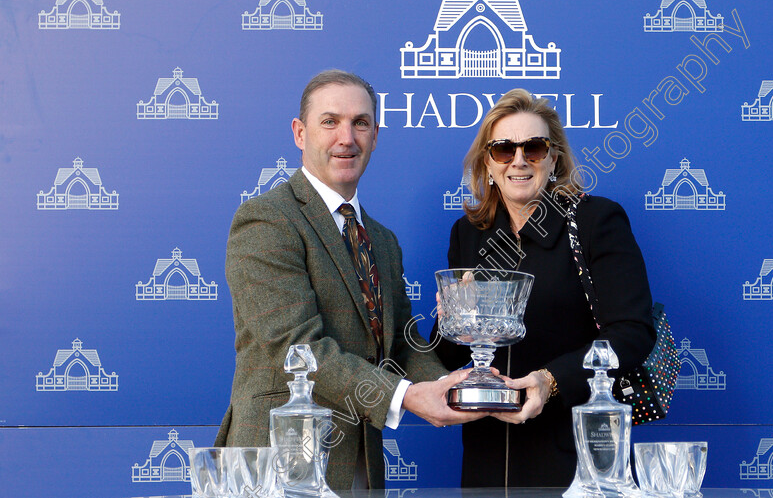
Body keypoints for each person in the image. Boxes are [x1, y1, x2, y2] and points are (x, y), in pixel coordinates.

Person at [215, 70, 483, 490]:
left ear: (375, 135)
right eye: (330, 121)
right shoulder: (266, 220)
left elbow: (400, 345)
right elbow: (298, 348)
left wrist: (453, 386)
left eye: (360, 123)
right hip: (277, 462)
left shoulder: (382, 240)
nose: (347, 137)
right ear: (300, 133)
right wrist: (406, 397)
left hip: (359, 463)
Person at [432, 88, 657, 487]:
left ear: (553, 158)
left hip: (574, 453)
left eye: (533, 148)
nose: (518, 160)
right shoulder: (468, 234)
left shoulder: (595, 221)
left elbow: (632, 333)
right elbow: (448, 355)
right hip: (487, 458)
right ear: (487, 162)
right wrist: (449, 314)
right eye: (503, 149)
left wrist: (550, 380)